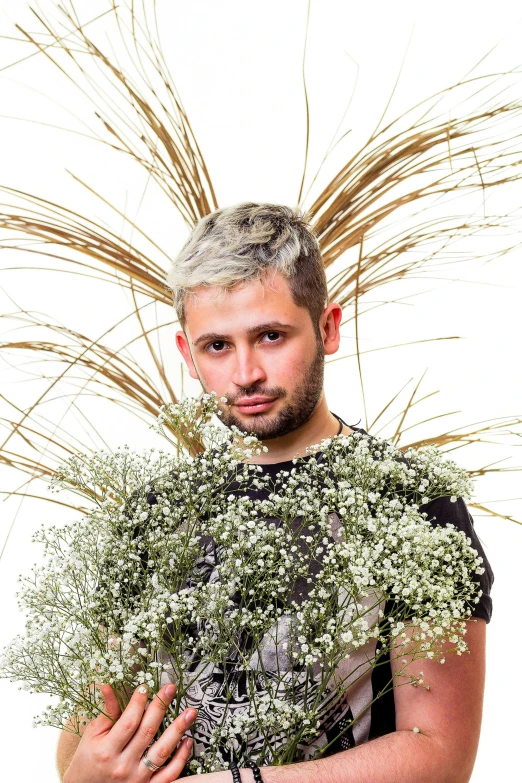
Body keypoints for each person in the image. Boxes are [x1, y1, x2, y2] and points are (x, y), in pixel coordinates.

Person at [57, 202, 493, 783]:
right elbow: (87, 732)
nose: (245, 374)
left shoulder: (412, 501)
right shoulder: (153, 514)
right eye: (217, 346)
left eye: (270, 336)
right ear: (187, 354)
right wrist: (81, 773)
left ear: (328, 327)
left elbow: (438, 754)